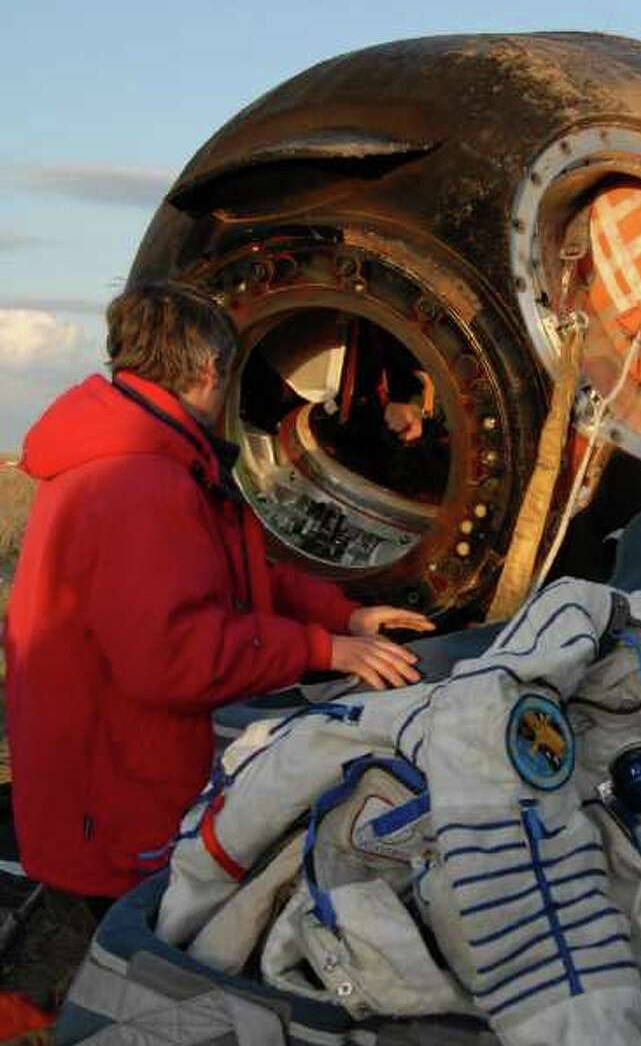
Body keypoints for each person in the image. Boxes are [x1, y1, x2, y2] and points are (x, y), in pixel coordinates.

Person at [3, 283, 434, 903]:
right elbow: (176, 659)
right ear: (210, 369)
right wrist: (324, 650)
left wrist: (348, 616)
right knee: (140, 958)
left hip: (109, 767)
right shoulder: (140, 486)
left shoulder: (140, 456)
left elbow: (234, 573)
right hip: (117, 791)